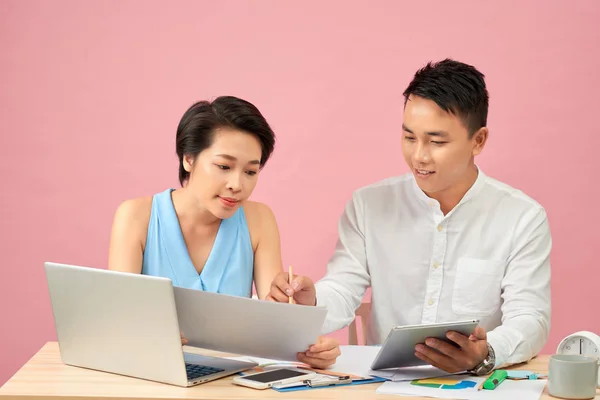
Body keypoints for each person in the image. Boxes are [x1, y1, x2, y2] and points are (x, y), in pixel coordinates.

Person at [268, 59, 552, 375]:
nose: (419, 156)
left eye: (437, 141)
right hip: (383, 386)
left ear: (478, 140)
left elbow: (530, 317)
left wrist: (485, 354)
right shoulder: (369, 205)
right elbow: (343, 289)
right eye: (409, 137)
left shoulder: (522, 217)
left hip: (472, 385)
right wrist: (312, 298)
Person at [108, 95, 339, 368]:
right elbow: (120, 325)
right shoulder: (136, 217)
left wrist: (311, 348)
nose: (236, 184)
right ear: (188, 159)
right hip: (152, 376)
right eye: (224, 167)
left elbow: (277, 326)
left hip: (230, 382)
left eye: (250, 172)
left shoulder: (259, 220)